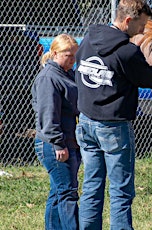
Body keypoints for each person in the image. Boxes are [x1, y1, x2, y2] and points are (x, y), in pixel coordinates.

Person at [74, 0, 152, 229]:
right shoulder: (127, 52)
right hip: (113, 127)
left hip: (87, 122)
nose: (143, 30)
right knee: (121, 190)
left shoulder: (89, 38)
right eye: (142, 24)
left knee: (91, 186)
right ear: (128, 20)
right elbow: (149, 79)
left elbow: (80, 70)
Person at [31, 33, 80, 230]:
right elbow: (48, 115)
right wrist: (59, 144)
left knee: (58, 192)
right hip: (54, 145)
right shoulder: (48, 78)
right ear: (54, 53)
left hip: (65, 141)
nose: (72, 59)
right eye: (68, 55)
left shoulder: (66, 73)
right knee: (68, 193)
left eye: (74, 55)